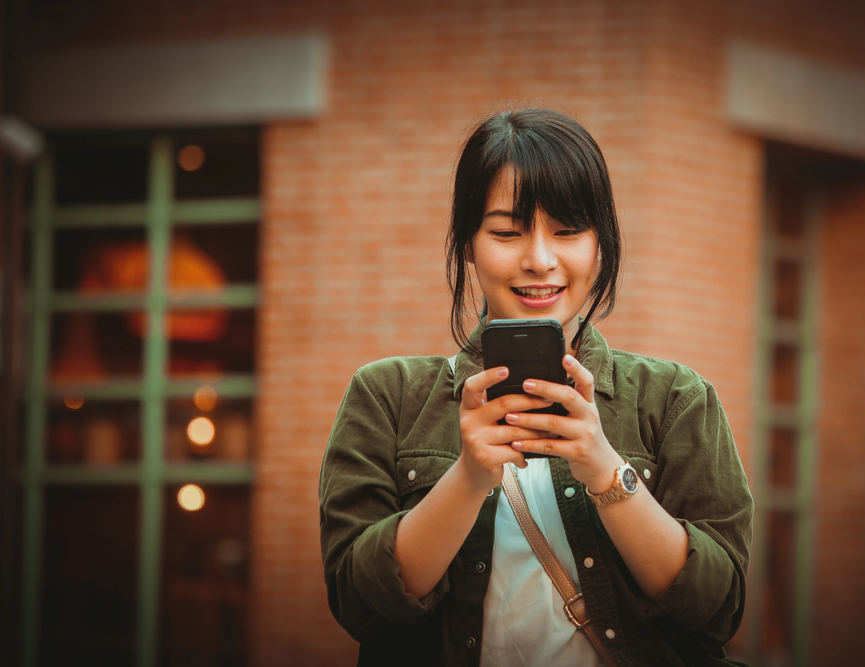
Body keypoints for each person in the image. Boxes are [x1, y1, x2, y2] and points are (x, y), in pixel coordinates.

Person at [319, 107, 753, 666]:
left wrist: (604, 469)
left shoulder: (675, 400)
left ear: (601, 244)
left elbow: (716, 609)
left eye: (568, 231)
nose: (539, 260)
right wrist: (469, 477)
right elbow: (361, 604)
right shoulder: (386, 396)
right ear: (468, 243)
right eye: (506, 232)